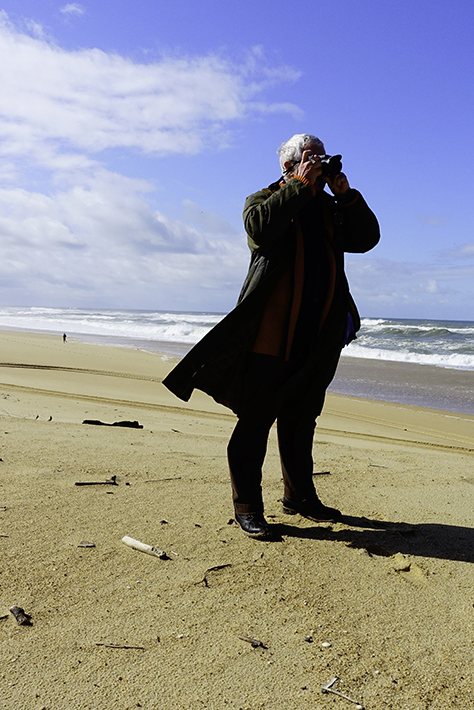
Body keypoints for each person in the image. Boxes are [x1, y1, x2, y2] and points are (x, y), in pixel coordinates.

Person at [163, 133, 380, 538]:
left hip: (319, 336)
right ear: (289, 165)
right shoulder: (264, 200)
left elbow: (367, 239)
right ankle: (247, 506)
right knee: (257, 419)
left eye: (322, 157)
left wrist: (347, 195)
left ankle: (299, 497)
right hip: (272, 335)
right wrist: (298, 185)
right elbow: (259, 229)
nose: (320, 163)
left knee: (302, 419)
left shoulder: (330, 209)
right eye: (311, 157)